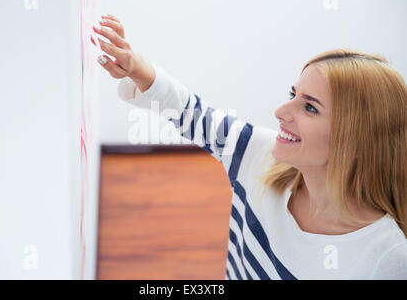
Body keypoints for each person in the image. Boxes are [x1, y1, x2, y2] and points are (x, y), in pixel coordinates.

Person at [91, 14, 407, 279]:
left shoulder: (388, 257)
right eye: (292, 94)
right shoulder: (261, 156)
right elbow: (192, 114)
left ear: (356, 140)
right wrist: (137, 67)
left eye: (309, 108)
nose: (281, 113)